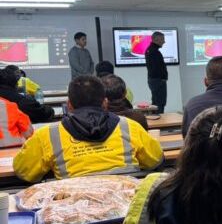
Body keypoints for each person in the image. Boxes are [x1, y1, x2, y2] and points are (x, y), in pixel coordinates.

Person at [13, 75, 163, 182]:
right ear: (105, 102)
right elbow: (155, 160)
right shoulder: (129, 126)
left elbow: (24, 172)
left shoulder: (47, 135)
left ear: (69, 105)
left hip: (74, 212)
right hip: (126, 208)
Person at [145, 31, 168, 114]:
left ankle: (155, 117)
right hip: (158, 81)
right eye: (162, 39)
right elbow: (156, 69)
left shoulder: (150, 50)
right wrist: (162, 78)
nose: (164, 42)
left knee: (156, 102)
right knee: (159, 103)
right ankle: (159, 119)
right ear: (156, 39)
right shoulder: (154, 52)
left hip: (154, 80)